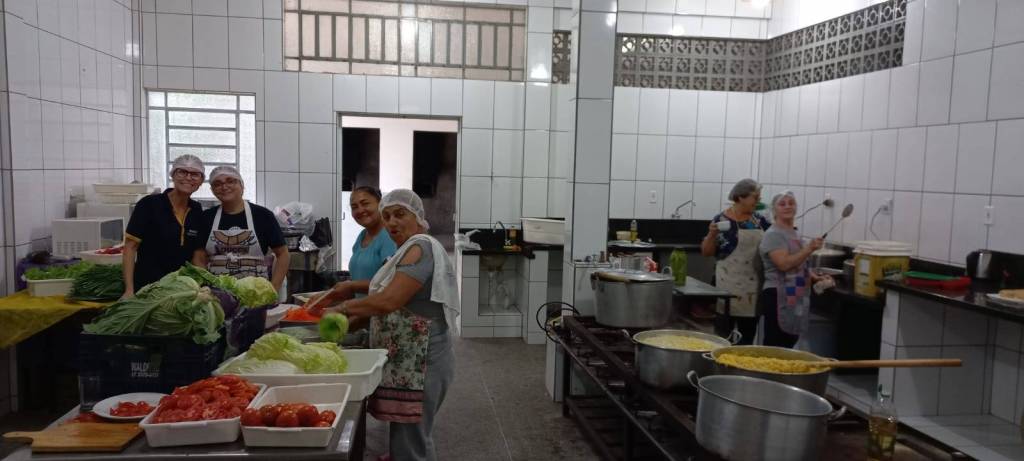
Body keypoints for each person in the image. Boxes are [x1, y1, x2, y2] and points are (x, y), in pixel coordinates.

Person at [309, 189, 458, 461]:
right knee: (405, 433)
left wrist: (343, 308)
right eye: (387, 216)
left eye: (400, 214)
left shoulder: (420, 247)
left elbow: (389, 300)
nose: (391, 223)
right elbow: (400, 307)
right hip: (410, 359)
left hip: (425, 360)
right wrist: (350, 323)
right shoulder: (405, 249)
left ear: (417, 216)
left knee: (413, 439)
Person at [192, 166, 289, 294]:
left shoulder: (263, 215)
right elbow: (199, 257)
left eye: (230, 181)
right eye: (217, 184)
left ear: (242, 186)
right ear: (213, 190)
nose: (224, 186)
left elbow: (283, 254)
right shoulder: (206, 217)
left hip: (256, 294)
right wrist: (207, 285)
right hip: (217, 294)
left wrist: (274, 288)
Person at [122, 155, 207, 297]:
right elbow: (130, 247)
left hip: (180, 289)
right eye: (182, 172)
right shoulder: (149, 204)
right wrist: (129, 290)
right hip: (148, 288)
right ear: (172, 175)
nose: (188, 177)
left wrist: (203, 285)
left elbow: (197, 254)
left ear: (201, 181)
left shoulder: (196, 209)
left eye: (194, 174)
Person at [699, 178, 770, 344]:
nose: (758, 201)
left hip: (752, 289)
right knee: (721, 339)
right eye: (755, 197)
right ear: (740, 197)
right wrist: (712, 234)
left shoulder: (760, 221)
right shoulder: (721, 220)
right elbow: (706, 252)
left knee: (746, 339)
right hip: (726, 286)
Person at [759, 190, 833, 348]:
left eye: (791, 203)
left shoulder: (794, 233)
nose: (787, 206)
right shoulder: (773, 234)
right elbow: (784, 264)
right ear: (774, 210)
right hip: (778, 293)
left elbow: (799, 264)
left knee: (790, 339)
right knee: (776, 343)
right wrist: (809, 248)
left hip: (795, 293)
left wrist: (814, 277)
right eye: (782, 204)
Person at [331, 186, 398, 300]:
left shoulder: (389, 236)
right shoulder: (362, 236)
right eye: (354, 207)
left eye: (365, 203)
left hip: (380, 308)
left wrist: (351, 286)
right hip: (362, 308)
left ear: (380, 204)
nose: (360, 210)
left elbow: (389, 283)